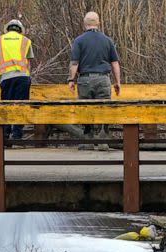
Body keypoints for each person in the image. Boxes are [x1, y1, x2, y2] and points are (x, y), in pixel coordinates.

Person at [68, 11, 121, 151]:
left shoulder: (79, 40)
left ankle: (88, 140)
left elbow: (74, 63)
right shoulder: (107, 40)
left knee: (85, 109)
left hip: (85, 79)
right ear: (98, 23)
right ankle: (103, 141)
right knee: (104, 109)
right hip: (103, 79)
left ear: (85, 24)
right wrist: (117, 82)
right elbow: (115, 63)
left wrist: (71, 79)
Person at [0, 19, 34, 141]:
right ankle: (17, 136)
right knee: (21, 106)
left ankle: (5, 136)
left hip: (6, 78)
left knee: (6, 106)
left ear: (7, 29)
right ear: (20, 30)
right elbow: (28, 63)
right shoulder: (25, 41)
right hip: (23, 78)